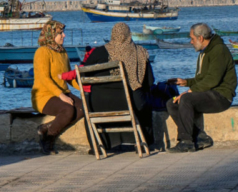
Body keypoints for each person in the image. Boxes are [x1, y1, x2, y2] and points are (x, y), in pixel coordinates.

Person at [166, 23, 238, 153]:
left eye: (192, 38)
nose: (191, 42)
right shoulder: (204, 53)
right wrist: (186, 82)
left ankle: (186, 141)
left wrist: (189, 91)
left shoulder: (218, 50)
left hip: (221, 96)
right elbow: (202, 79)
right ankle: (200, 136)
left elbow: (212, 79)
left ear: (200, 38)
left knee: (186, 99)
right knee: (171, 103)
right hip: (209, 93)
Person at [83, 23, 155, 150]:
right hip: (130, 104)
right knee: (145, 100)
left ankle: (99, 146)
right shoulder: (140, 53)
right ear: (129, 35)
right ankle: (144, 142)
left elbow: (84, 76)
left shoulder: (98, 52)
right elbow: (149, 81)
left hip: (100, 105)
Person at [31, 20, 83, 155]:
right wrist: (61, 96)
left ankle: (46, 128)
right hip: (44, 96)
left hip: (62, 92)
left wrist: (83, 87)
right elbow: (44, 79)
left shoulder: (62, 52)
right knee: (68, 110)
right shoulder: (42, 52)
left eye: (63, 33)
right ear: (51, 35)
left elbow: (68, 77)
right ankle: (48, 139)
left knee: (83, 108)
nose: (64, 36)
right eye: (60, 33)